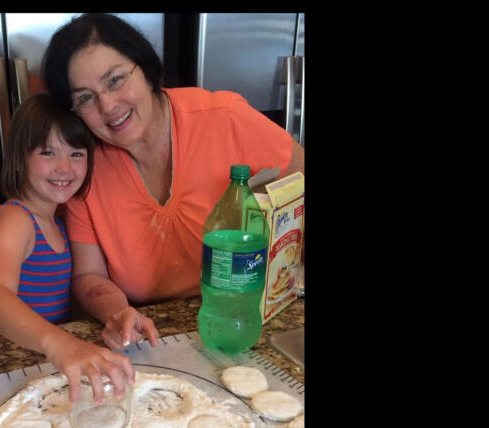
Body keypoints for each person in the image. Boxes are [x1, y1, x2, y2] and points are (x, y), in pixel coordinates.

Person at [42, 13, 305, 351]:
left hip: (247, 316)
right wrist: (118, 312)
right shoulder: (84, 166)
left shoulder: (223, 118)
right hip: (150, 336)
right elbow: (89, 276)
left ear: (146, 69)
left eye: (115, 80)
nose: (108, 105)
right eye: (85, 98)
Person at [0, 93, 134, 403]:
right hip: (2, 370)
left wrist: (116, 315)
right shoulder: (15, 218)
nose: (64, 167)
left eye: (76, 154)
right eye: (48, 153)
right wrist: (59, 343)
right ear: (20, 158)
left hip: (43, 363)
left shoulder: (60, 221)